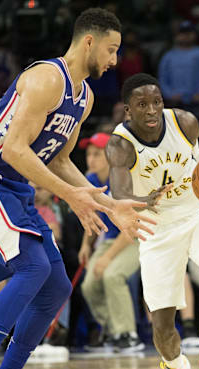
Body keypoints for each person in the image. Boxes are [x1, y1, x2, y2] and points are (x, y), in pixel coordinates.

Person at [0, 9, 155, 369]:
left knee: (56, 285)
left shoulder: (85, 97)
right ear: (88, 41)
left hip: (14, 186)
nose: (114, 61)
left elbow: (58, 160)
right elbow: (14, 148)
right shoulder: (45, 79)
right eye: (111, 50)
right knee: (33, 267)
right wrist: (72, 197)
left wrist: (107, 204)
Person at [106, 73, 199, 369]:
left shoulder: (185, 123)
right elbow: (119, 191)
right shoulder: (120, 144)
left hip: (198, 212)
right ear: (127, 110)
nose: (152, 110)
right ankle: (176, 368)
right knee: (163, 322)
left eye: (157, 102)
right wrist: (143, 200)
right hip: (157, 226)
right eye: (142, 104)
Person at [78, 132, 143, 353]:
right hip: (110, 240)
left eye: (96, 154)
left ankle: (128, 334)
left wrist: (106, 257)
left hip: (136, 239)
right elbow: (93, 217)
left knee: (112, 275)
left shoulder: (125, 181)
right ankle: (113, 330)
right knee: (88, 285)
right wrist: (86, 245)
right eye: (88, 154)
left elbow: (133, 226)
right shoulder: (92, 181)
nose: (91, 159)